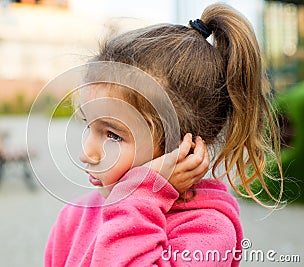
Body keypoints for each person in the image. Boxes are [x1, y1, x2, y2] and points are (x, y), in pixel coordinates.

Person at [44, 3, 283, 266]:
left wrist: (143, 195)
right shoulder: (75, 216)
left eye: (113, 135)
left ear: (183, 149)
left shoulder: (206, 231)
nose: (86, 153)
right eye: (89, 126)